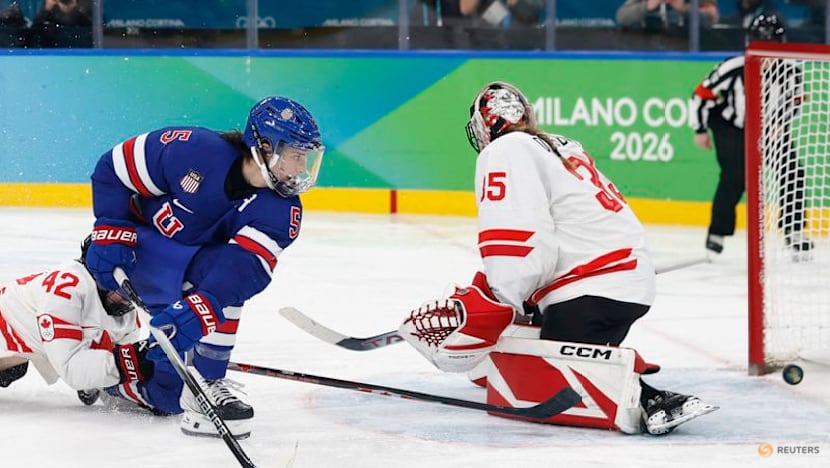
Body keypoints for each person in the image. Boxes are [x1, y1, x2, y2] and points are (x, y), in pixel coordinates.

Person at [397, 81, 716, 435]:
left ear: (486, 125)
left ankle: (649, 397)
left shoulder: (506, 150)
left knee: (544, 375)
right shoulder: (557, 146)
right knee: (527, 348)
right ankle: (614, 371)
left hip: (588, 290)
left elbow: (520, 242)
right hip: (621, 281)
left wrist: (501, 299)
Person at [82, 96, 324, 438]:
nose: (302, 169)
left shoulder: (281, 212)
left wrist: (202, 308)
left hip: (181, 269)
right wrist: (110, 229)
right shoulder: (193, 150)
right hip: (131, 255)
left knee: (167, 395)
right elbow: (112, 169)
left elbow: (243, 268)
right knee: (204, 302)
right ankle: (209, 378)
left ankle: (121, 375)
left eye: (307, 157)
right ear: (265, 148)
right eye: (297, 156)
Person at [0, 238, 180, 412]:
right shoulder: (67, 290)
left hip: (20, 346)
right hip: (9, 336)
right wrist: (134, 360)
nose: (130, 301)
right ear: (99, 275)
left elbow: (110, 373)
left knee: (14, 369)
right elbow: (72, 370)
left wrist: (146, 392)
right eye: (123, 290)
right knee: (14, 368)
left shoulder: (122, 309)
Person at [692, 13, 811, 255]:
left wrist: (781, 122)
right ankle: (717, 232)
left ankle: (793, 229)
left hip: (770, 129)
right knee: (735, 175)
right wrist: (700, 129)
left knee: (793, 171)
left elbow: (796, 100)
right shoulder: (734, 67)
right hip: (732, 127)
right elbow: (702, 94)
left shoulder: (790, 70)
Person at [616, 0, 719, 31]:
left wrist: (683, 9)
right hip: (646, 47)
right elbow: (622, 17)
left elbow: (712, 17)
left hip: (686, 47)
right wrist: (647, 6)